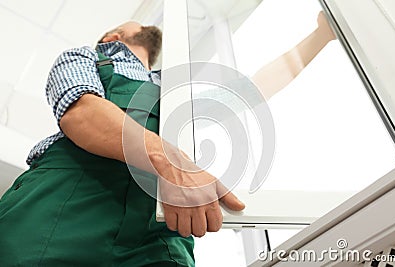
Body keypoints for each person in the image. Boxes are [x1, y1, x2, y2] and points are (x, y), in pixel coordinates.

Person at [0, 11, 335, 267]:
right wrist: (168, 160)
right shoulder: (87, 57)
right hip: (61, 211)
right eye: (136, 23)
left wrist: (322, 36)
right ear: (113, 36)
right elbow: (82, 113)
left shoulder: (176, 89)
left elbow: (252, 91)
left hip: (159, 236)